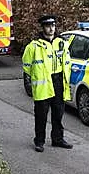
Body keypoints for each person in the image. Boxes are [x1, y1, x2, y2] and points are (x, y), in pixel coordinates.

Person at [22, 15, 73, 152]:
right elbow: (26, 66)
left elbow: (67, 63)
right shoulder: (34, 46)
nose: (51, 29)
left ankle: (57, 139)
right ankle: (39, 141)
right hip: (43, 84)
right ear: (43, 27)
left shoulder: (62, 43)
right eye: (48, 26)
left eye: (53, 26)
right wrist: (29, 83)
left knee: (58, 114)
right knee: (41, 115)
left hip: (59, 82)